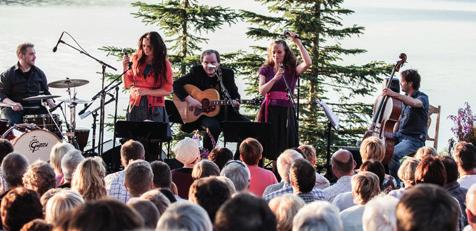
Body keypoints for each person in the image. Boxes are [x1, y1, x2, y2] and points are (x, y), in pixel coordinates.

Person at [173, 49, 249, 152]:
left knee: (248, 126)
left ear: (218, 63)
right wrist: (190, 100)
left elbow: (234, 93)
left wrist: (236, 102)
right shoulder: (196, 73)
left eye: (213, 62)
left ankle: (239, 159)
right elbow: (176, 85)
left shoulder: (227, 74)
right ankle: (207, 156)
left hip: (226, 112)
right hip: (203, 114)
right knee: (213, 127)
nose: (209, 65)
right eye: (206, 62)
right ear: (202, 63)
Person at [256, 32, 312, 160]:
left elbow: (308, 62)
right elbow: (262, 91)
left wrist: (298, 43)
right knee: (270, 143)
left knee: (286, 144)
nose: (276, 55)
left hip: (286, 110)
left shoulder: (291, 69)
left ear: (285, 52)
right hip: (269, 110)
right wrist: (275, 79)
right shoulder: (265, 69)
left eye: (279, 52)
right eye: (273, 52)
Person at [122, 31, 173, 161]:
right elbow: (127, 84)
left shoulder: (164, 64)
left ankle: (151, 173)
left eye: (149, 46)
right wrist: (124, 66)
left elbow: (168, 90)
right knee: (135, 143)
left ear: (157, 46)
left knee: (152, 145)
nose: (146, 49)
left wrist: (146, 91)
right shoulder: (136, 59)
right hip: (136, 105)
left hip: (154, 107)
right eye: (144, 46)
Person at [381, 69, 429, 179]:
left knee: (393, 154)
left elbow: (415, 103)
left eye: (402, 81)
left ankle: (397, 182)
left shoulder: (422, 97)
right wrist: (390, 136)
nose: (400, 84)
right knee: (378, 147)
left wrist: (394, 94)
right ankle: (382, 177)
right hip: (400, 136)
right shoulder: (404, 98)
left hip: (414, 140)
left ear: (410, 83)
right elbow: (398, 120)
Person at [0, 43, 56, 125]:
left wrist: (51, 102)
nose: (35, 57)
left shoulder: (40, 73)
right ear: (20, 55)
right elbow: (1, 95)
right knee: (12, 124)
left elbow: (45, 92)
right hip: (14, 109)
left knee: (51, 122)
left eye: (35, 54)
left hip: (36, 108)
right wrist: (12, 104)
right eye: (31, 54)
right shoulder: (8, 75)